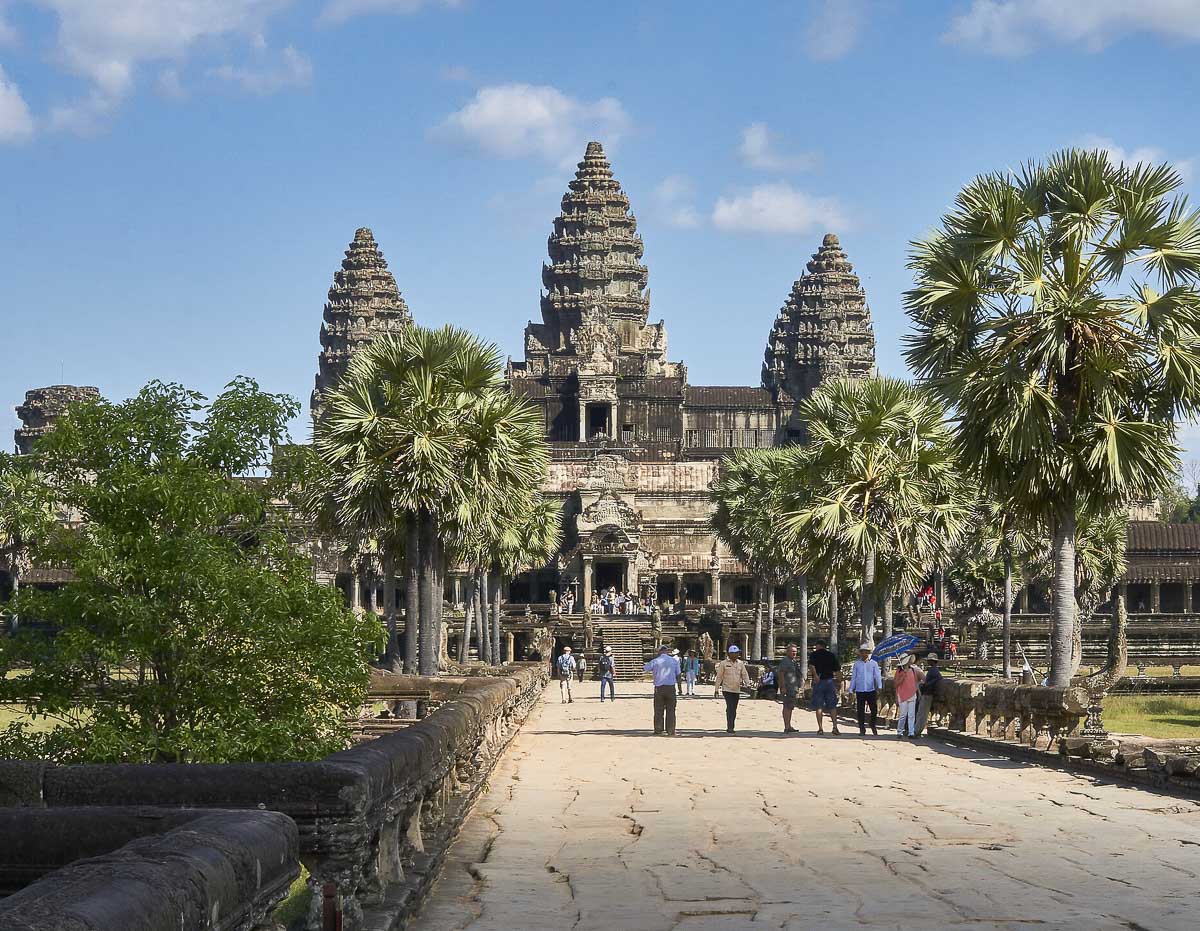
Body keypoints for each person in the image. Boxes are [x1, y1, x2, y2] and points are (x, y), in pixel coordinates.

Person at [713, 644, 752, 734]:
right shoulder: (723, 664)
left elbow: (744, 674)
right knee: (730, 707)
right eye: (734, 653)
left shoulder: (740, 663)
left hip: (736, 689)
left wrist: (748, 684)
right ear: (729, 654)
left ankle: (731, 723)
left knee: (734, 708)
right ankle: (730, 727)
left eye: (737, 653)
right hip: (727, 689)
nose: (736, 655)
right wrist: (716, 689)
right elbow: (719, 677)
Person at [644, 644, 681, 735]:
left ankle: (658, 729)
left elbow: (645, 668)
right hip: (671, 687)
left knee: (658, 710)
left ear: (659, 651)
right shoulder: (674, 661)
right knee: (671, 710)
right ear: (667, 651)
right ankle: (671, 730)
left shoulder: (655, 661)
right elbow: (678, 675)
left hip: (659, 688)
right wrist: (680, 688)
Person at [808, 639, 841, 735]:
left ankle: (820, 728)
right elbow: (837, 670)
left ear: (819, 645)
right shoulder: (831, 655)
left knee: (819, 706)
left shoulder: (814, 654)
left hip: (819, 681)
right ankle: (835, 727)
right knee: (832, 706)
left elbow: (812, 666)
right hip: (829, 681)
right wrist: (839, 682)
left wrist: (815, 676)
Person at [849, 642, 882, 736]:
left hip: (870, 689)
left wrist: (879, 686)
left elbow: (877, 676)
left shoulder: (873, 664)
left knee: (874, 709)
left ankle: (872, 724)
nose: (864, 654)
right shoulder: (857, 664)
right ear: (860, 653)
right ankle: (862, 728)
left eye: (866, 652)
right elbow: (854, 677)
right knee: (860, 711)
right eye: (863, 652)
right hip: (860, 690)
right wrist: (851, 689)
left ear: (868, 653)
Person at [893, 653, 924, 738]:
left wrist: (919, 692)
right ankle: (899, 731)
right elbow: (896, 684)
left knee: (911, 715)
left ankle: (911, 732)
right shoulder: (899, 671)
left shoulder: (913, 670)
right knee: (903, 715)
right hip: (902, 695)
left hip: (912, 694)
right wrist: (903, 676)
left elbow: (916, 682)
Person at [776, 643, 802, 734]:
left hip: (793, 688)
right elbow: (781, 674)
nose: (794, 653)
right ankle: (786, 726)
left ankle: (789, 725)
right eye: (792, 651)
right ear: (787, 652)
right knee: (787, 706)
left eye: (795, 652)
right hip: (787, 687)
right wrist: (783, 687)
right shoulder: (785, 661)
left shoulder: (793, 661)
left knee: (790, 707)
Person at [914, 652, 941, 735]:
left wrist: (926, 685)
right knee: (921, 713)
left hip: (928, 693)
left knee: (922, 714)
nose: (928, 662)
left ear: (932, 661)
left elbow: (938, 678)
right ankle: (916, 730)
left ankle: (917, 731)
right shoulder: (933, 670)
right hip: (926, 692)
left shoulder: (934, 670)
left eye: (929, 660)